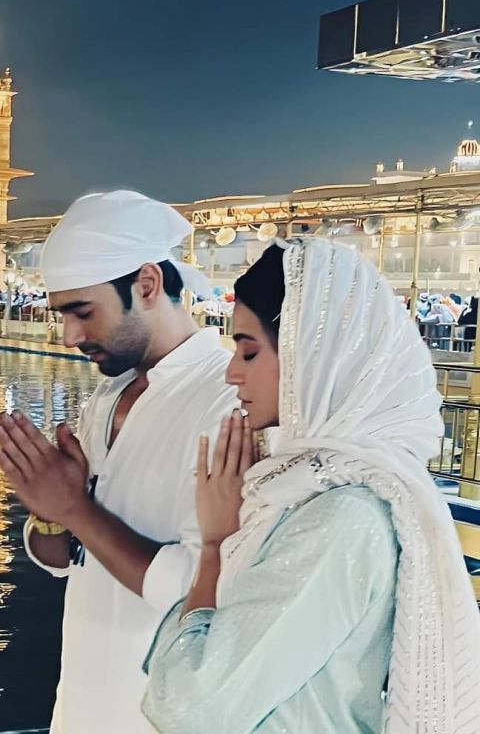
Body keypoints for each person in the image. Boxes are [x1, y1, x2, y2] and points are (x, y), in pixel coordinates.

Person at [142, 239, 480, 733]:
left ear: (316, 358)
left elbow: (190, 707)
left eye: (249, 351)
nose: (232, 371)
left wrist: (215, 546)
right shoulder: (303, 492)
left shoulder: (342, 518)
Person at [0, 190, 238, 733]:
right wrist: (49, 509)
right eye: (63, 315)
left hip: (156, 712)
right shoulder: (107, 396)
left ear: (147, 284)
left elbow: (203, 590)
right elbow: (61, 559)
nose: (70, 336)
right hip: (81, 700)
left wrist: (76, 510)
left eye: (83, 312)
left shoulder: (226, 401)